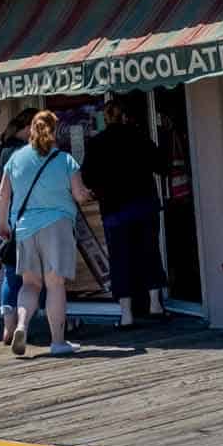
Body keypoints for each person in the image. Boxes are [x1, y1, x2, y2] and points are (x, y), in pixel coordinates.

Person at [0, 109, 95, 358]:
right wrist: (90, 194)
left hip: (25, 228)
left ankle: (21, 326)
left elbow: (3, 195)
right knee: (55, 284)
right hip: (56, 226)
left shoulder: (15, 159)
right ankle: (58, 341)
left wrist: (4, 225)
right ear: (55, 132)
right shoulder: (64, 160)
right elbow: (80, 194)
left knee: (30, 284)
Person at [80, 98, 170, 328]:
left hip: (114, 209)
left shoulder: (97, 143)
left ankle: (127, 314)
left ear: (106, 118)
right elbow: (161, 165)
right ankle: (155, 305)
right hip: (143, 204)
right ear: (126, 116)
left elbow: (87, 177)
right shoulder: (138, 137)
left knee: (120, 260)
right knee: (150, 253)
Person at [0, 110, 39, 344]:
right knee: (35, 275)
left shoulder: (4, 147)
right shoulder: (23, 152)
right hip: (18, 216)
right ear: (29, 127)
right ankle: (43, 322)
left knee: (11, 274)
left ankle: (8, 328)